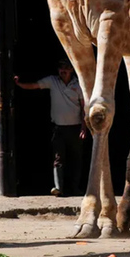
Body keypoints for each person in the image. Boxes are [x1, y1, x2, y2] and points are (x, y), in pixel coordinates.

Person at [15, 59, 87, 196]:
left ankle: (75, 188)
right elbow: (34, 86)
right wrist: (19, 84)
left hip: (75, 128)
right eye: (61, 67)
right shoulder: (52, 81)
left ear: (72, 69)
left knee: (76, 159)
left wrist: (84, 127)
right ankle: (58, 188)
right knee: (58, 158)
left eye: (66, 67)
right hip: (58, 128)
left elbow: (84, 107)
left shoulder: (79, 84)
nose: (63, 70)